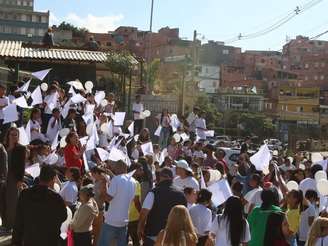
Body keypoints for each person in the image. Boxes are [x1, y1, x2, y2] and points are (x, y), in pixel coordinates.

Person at [12, 165, 67, 246]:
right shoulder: (56, 198)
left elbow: (18, 219)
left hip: (30, 238)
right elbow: (63, 216)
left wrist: (16, 241)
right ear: (53, 180)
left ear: (40, 177)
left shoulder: (25, 194)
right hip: (49, 239)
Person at [138, 168, 187, 246]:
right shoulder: (181, 194)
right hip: (173, 237)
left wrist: (140, 227)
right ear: (172, 178)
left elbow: (144, 212)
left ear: (160, 177)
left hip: (153, 234)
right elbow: (184, 215)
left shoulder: (154, 192)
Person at [97, 160, 137, 246]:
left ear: (117, 168)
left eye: (115, 167)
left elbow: (108, 198)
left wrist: (104, 185)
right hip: (124, 220)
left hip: (112, 220)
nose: (114, 169)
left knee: (103, 244)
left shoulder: (116, 179)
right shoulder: (133, 181)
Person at [3, 127, 27, 232]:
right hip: (2, 178)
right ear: (8, 135)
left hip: (14, 178)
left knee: (12, 202)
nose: (13, 137)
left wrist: (20, 180)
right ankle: (4, 224)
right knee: (3, 202)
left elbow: (22, 166)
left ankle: (11, 226)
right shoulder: (3, 147)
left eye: (15, 135)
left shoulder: (21, 148)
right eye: (11, 134)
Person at [0, 143, 7, 232]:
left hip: (0, 180)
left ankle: (4, 225)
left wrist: (3, 179)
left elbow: (4, 167)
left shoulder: (1, 148)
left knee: (2, 204)